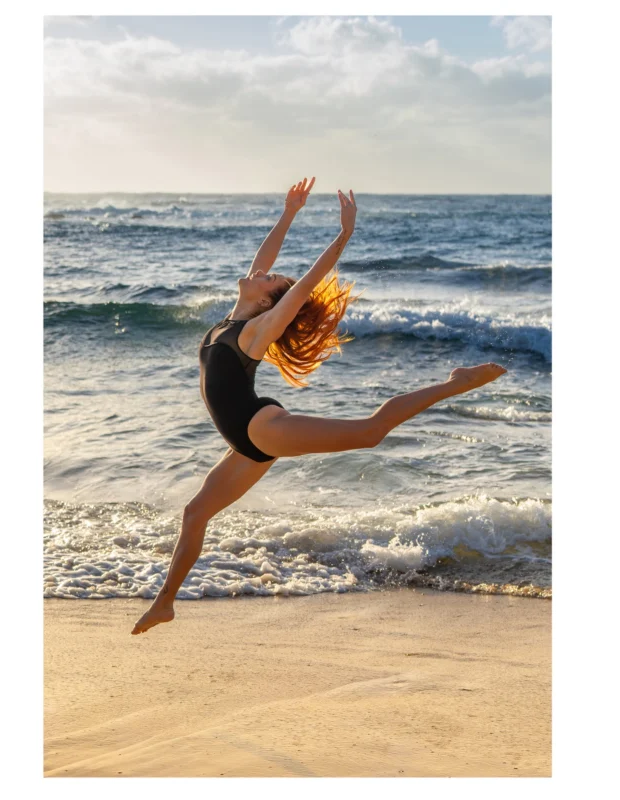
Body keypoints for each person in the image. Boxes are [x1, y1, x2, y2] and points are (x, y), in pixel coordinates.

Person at [131, 178, 506, 635]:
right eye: (264, 275)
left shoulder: (257, 330)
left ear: (269, 301)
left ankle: (454, 383)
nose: (260, 273)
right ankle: (165, 603)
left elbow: (303, 286)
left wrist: (343, 235)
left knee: (370, 432)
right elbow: (264, 262)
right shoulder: (235, 315)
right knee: (195, 514)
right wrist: (290, 212)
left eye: (267, 281)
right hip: (243, 443)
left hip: (259, 427)